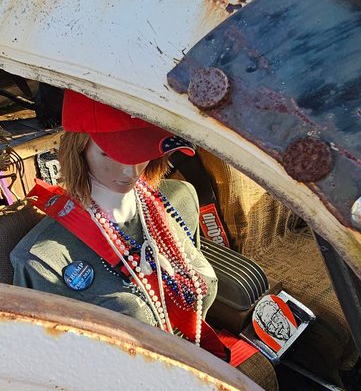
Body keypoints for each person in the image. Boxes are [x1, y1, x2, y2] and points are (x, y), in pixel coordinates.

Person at [11, 91, 219, 348]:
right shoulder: (42, 259)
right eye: (111, 154)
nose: (130, 170)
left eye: (140, 150)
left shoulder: (177, 200)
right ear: (79, 149)